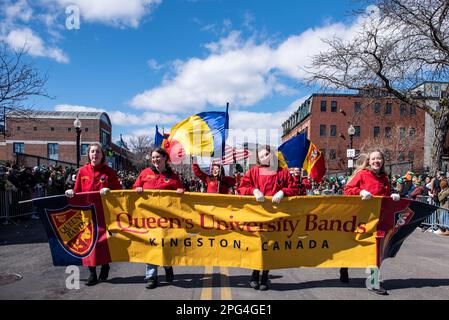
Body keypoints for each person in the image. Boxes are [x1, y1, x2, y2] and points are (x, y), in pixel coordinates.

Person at [237, 145, 298, 291]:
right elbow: (241, 188)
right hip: (257, 215)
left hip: (275, 217)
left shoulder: (283, 173)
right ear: (259, 159)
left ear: (272, 155)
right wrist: (253, 190)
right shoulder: (253, 172)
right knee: (258, 245)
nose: (265, 158)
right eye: (262, 156)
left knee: (270, 246)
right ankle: (254, 273)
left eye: (267, 154)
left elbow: (296, 188)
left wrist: (284, 192)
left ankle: (265, 276)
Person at [342, 150, 401, 295]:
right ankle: (344, 266)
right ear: (369, 161)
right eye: (373, 159)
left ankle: (373, 282)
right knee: (354, 246)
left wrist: (392, 196)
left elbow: (385, 197)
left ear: (382, 161)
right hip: (361, 219)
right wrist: (360, 192)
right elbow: (347, 190)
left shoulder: (385, 178)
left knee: (375, 252)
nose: (376, 161)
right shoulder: (362, 174)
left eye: (379, 158)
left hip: (378, 220)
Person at [65, 143, 121, 286]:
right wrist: (71, 192)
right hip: (87, 212)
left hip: (104, 212)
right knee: (89, 242)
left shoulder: (109, 172)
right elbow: (77, 190)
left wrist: (109, 190)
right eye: (92, 152)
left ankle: (105, 265)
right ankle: (92, 273)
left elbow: (119, 191)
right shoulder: (82, 171)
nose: (95, 154)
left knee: (103, 242)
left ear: (102, 155)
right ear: (89, 154)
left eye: (97, 152)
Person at [133, 148, 185, 289]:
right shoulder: (145, 173)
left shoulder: (173, 176)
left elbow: (181, 191)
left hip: (166, 220)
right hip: (148, 219)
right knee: (151, 245)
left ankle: (168, 267)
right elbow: (135, 187)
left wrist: (180, 191)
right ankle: (151, 276)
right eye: (153, 157)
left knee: (165, 245)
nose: (155, 159)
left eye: (158, 157)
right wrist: (137, 188)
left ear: (165, 158)